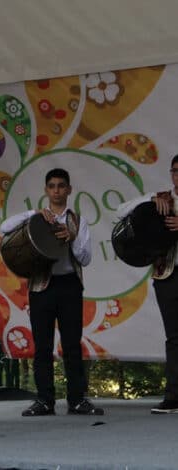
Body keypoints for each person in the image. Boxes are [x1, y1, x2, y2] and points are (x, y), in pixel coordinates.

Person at [0, 168, 102, 416]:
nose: (57, 191)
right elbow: (5, 227)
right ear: (46, 190)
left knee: (72, 344)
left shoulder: (78, 221)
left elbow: (85, 259)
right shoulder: (36, 217)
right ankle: (45, 400)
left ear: (69, 190)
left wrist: (72, 237)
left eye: (61, 186)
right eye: (52, 186)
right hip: (41, 287)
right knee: (43, 345)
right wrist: (33, 213)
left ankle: (76, 400)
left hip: (69, 285)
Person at [117, 154, 178, 414]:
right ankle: (174, 396)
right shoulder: (161, 198)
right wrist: (149, 199)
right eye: (175, 170)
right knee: (174, 337)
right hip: (167, 275)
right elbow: (119, 211)